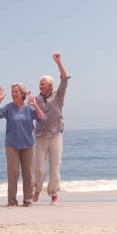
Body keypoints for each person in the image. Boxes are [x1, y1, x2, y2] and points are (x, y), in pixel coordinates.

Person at [0, 83, 45, 207]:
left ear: (22, 94)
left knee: (28, 174)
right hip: (12, 145)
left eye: (16, 91)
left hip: (28, 145)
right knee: (13, 173)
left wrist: (36, 105)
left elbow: (42, 118)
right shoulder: (8, 108)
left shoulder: (30, 108)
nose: (13, 94)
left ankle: (28, 200)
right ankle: (12, 201)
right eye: (12, 92)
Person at [32, 53, 70, 205]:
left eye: (42, 83)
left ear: (50, 85)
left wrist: (58, 62)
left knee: (55, 168)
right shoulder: (35, 99)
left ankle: (54, 196)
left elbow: (64, 79)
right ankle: (36, 191)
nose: (40, 85)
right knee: (39, 168)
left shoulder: (58, 95)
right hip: (40, 136)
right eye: (39, 83)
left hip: (55, 135)